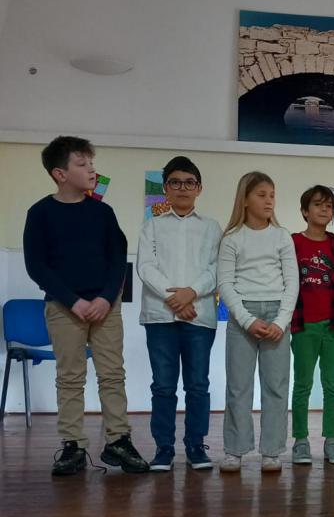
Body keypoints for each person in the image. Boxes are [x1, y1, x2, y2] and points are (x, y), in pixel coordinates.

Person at [22, 135, 149, 476]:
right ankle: (73, 445)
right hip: (64, 308)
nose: (92, 170)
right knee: (70, 377)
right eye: (82, 164)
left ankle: (118, 440)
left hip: (106, 307)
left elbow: (118, 259)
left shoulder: (103, 213)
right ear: (60, 174)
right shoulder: (40, 213)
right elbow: (37, 266)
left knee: (112, 374)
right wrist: (73, 301)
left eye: (92, 163)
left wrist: (106, 298)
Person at [137, 156, 222, 472]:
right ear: (165, 189)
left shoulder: (212, 227)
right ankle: (164, 449)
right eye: (175, 182)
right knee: (163, 386)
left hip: (199, 316)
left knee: (197, 385)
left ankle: (196, 446)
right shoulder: (152, 225)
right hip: (160, 317)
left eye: (189, 182)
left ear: (199, 188)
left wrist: (191, 293)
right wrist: (175, 298)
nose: (182, 188)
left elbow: (217, 268)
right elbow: (145, 267)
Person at [217, 171, 298, 474]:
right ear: (245, 200)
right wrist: (247, 319)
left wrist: (281, 321)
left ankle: (272, 451)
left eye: (272, 195)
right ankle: (235, 450)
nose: (269, 201)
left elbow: (292, 282)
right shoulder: (231, 239)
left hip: (277, 314)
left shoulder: (282, 236)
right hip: (243, 317)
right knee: (238, 387)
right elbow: (225, 284)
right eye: (262, 195)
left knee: (276, 386)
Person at [290, 185, 334, 466]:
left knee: (332, 385)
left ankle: (331, 440)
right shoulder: (293, 243)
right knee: (302, 384)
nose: (324, 209)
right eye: (317, 204)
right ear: (304, 211)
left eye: (329, 205)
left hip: (332, 326)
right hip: (303, 327)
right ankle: (300, 440)